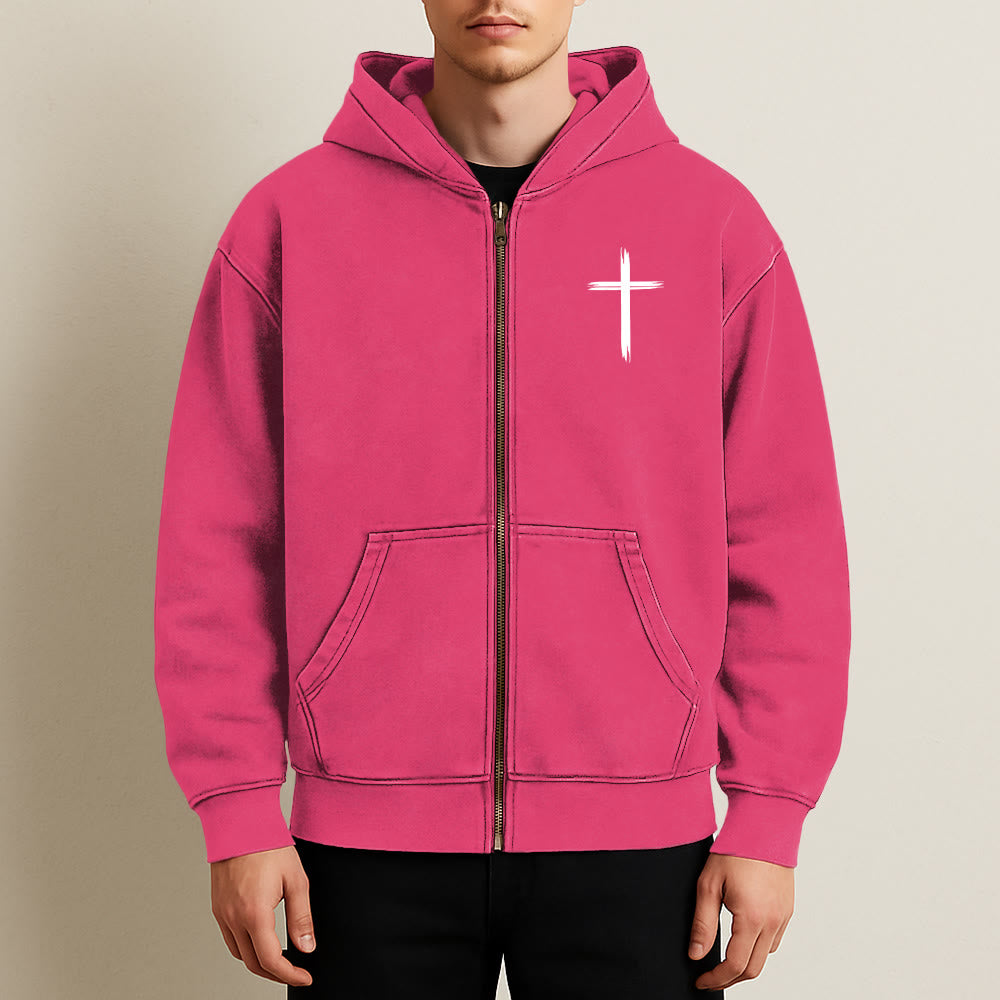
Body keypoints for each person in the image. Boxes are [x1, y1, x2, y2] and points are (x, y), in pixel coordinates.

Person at [152, 1, 851, 996]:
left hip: (641, 842)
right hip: (361, 845)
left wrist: (769, 808)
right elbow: (217, 541)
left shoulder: (709, 222)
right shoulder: (289, 223)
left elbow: (785, 536)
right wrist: (235, 806)